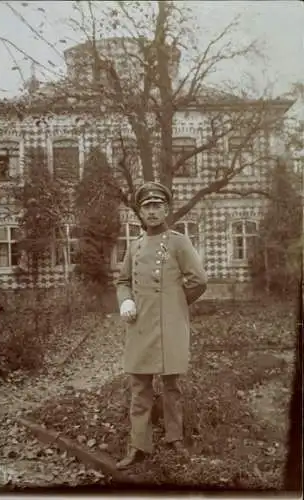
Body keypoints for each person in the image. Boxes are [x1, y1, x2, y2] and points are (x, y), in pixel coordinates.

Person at [115, 181, 207, 469]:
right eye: (146, 207)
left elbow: (199, 281)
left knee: (171, 386)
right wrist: (125, 301)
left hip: (170, 326)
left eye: (157, 206)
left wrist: (175, 305)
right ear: (140, 213)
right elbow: (123, 282)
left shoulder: (179, 242)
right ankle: (138, 446)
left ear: (166, 209)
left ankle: (174, 438)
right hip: (141, 326)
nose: (152, 212)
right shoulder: (135, 246)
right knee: (139, 386)